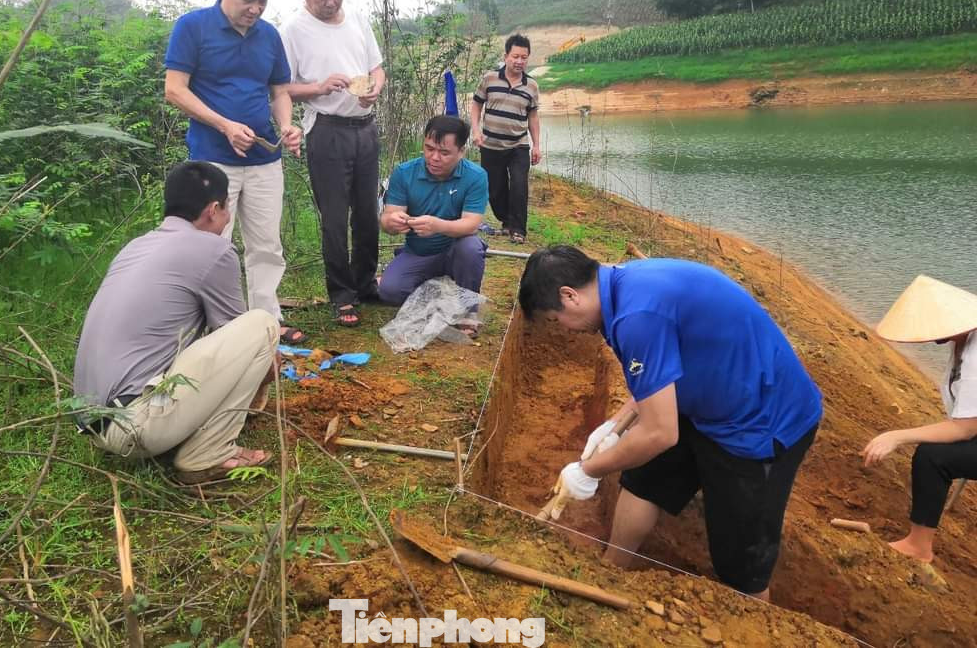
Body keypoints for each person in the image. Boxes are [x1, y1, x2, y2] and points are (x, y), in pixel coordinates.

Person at [518, 246, 823, 599]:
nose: (567, 331)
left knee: (740, 556)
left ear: (569, 296)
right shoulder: (620, 289)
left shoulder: (637, 315)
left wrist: (589, 470)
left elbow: (660, 432)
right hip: (706, 399)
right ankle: (610, 569)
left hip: (760, 418)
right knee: (644, 480)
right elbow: (657, 375)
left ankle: (756, 624)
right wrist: (614, 425)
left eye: (558, 321)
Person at [73, 162, 279, 485]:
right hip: (136, 426)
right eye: (226, 211)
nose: (227, 220)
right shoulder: (214, 249)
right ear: (213, 209)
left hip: (95, 424)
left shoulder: (134, 247)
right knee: (263, 325)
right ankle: (209, 452)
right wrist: (268, 371)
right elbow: (238, 335)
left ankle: (174, 431)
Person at [164, 0, 306, 345]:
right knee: (211, 247)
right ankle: (216, 331)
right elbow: (174, 90)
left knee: (266, 246)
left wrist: (286, 126)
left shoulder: (269, 36)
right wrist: (224, 125)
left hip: (265, 160)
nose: (255, 9)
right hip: (213, 162)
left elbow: (279, 91)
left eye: (263, 1)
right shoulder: (193, 28)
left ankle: (267, 323)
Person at [281, 0, 385, 328]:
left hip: (365, 127)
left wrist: (374, 88)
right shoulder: (293, 31)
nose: (330, 1)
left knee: (367, 214)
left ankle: (366, 284)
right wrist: (318, 87)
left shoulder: (357, 18)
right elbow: (281, 88)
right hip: (326, 131)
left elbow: (376, 68)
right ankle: (342, 295)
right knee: (335, 218)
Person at [861, 274, 977, 563]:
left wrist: (897, 436)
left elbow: (965, 428)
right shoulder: (963, 342)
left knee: (931, 458)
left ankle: (918, 547)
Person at [378, 115, 489, 333]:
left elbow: (471, 224)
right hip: (418, 251)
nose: (434, 157)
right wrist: (391, 222)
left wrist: (438, 226)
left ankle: (467, 310)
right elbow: (387, 221)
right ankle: (437, 290)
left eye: (444, 152)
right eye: (429, 149)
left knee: (471, 248)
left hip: (455, 249)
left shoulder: (476, 176)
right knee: (390, 291)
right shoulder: (404, 173)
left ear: (461, 151)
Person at [470, 34, 541, 244]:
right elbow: (476, 105)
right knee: (495, 188)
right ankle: (507, 222)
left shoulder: (532, 86)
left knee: (519, 185)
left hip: (519, 144)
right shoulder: (489, 79)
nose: (519, 61)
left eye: (524, 57)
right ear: (506, 56)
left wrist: (536, 145)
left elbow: (533, 116)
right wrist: (476, 130)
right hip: (490, 144)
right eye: (515, 56)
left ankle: (518, 230)